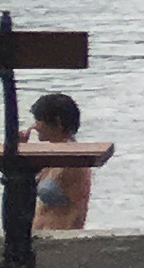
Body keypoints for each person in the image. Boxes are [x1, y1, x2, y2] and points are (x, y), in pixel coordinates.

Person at [28, 89, 95, 232]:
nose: (34, 126)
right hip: (39, 234)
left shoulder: (74, 162)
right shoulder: (53, 156)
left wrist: (66, 241)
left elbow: (78, 210)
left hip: (58, 237)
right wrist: (20, 146)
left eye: (38, 120)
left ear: (57, 122)